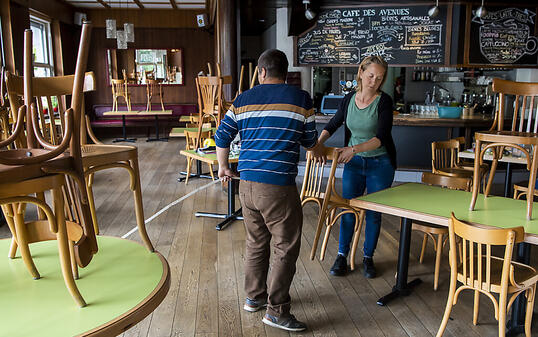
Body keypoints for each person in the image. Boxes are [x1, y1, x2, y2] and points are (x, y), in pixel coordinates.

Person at [214, 49, 322, 332]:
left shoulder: (242, 99)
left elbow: (222, 136)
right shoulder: (301, 99)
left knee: (256, 242)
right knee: (285, 246)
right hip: (277, 187)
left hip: (246, 185)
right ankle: (277, 311)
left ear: (261, 72)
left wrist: (223, 167)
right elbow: (310, 141)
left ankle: (254, 297)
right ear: (285, 74)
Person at [317, 55, 396, 278]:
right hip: (354, 164)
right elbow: (333, 123)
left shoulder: (384, 101)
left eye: (379, 78)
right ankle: (342, 255)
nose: (374, 81)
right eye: (371, 75)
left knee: (373, 213)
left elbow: (381, 138)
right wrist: (317, 144)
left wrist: (353, 149)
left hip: (380, 164)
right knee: (348, 208)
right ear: (360, 72)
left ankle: (368, 258)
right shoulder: (349, 99)